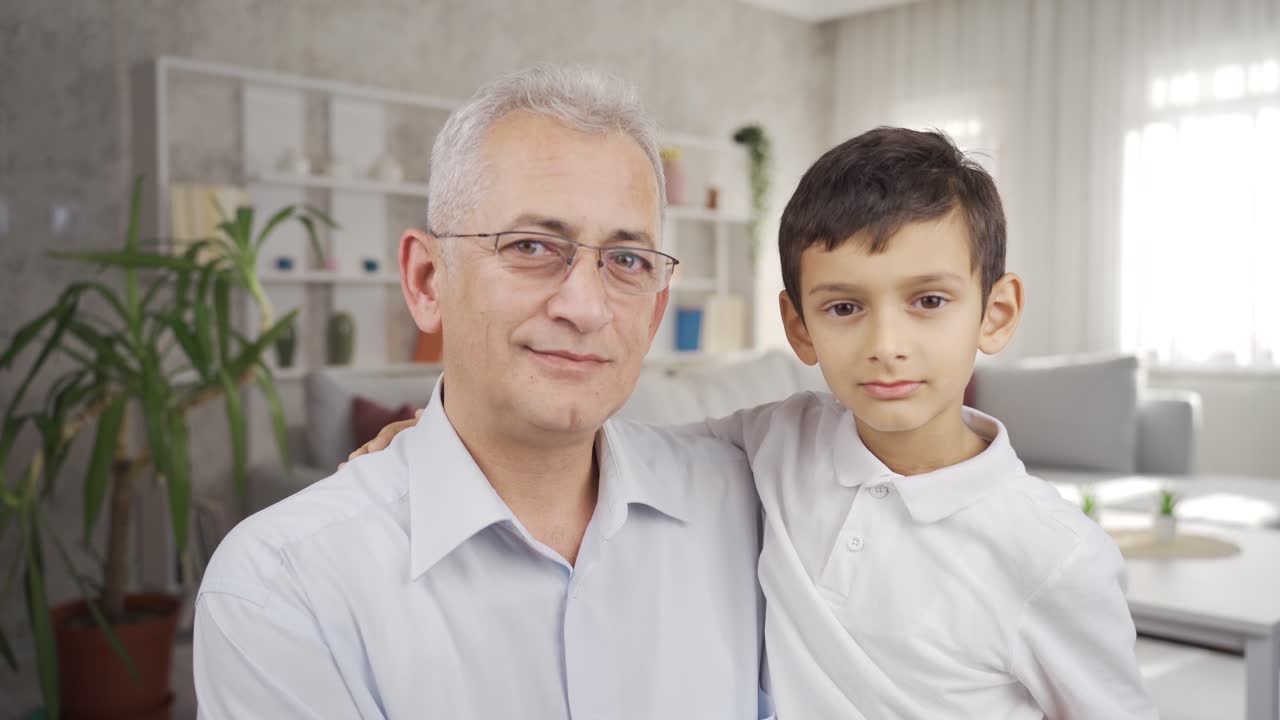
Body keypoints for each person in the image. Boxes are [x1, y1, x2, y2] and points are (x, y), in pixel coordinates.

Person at [360, 127, 1158, 719]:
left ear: (998, 310)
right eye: (845, 307)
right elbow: (614, 453)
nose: (887, 345)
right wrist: (442, 442)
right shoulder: (775, 442)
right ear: (799, 327)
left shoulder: (1055, 557)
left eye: (929, 300)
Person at [193, 65, 766, 719]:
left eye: (627, 260)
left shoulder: (751, 504)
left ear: (656, 310)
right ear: (427, 280)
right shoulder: (282, 587)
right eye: (531, 245)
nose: (585, 307)